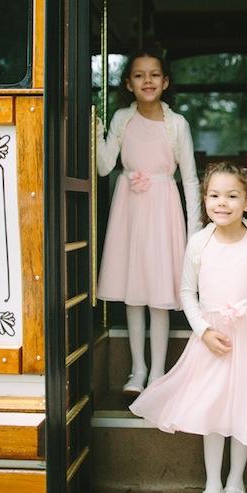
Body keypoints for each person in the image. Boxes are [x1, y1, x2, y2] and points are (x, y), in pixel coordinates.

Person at [131, 161, 247, 493]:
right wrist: (203, 331)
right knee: (212, 412)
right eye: (213, 195)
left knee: (242, 409)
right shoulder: (199, 242)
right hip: (212, 339)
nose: (221, 203)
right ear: (205, 199)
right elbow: (186, 293)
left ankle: (235, 485)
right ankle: (211, 486)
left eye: (231, 196)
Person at [96, 47, 201, 394]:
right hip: (128, 210)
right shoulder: (121, 119)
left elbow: (189, 179)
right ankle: (137, 370)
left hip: (163, 210)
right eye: (139, 75)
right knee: (133, 292)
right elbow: (104, 166)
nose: (147, 81)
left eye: (154, 74)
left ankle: (157, 372)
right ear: (128, 83)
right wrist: (95, 132)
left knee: (158, 293)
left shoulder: (176, 124)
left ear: (165, 81)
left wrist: (195, 231)